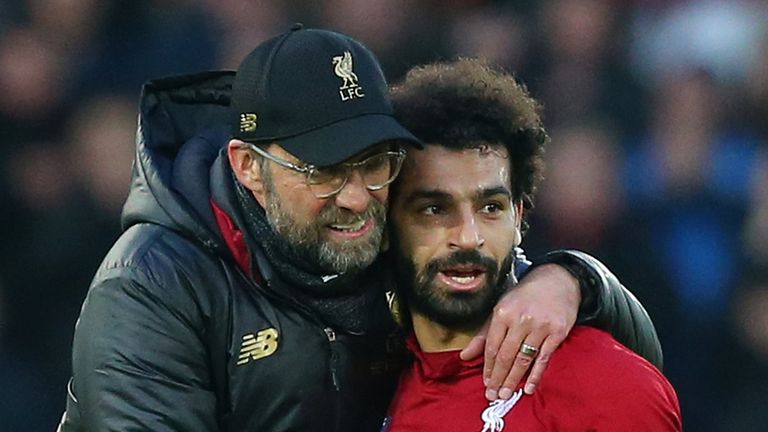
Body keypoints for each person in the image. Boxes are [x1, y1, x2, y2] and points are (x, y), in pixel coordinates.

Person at [58, 27, 661, 431]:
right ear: (249, 167)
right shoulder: (152, 285)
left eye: (374, 165)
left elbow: (635, 362)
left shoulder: (380, 234)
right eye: (323, 171)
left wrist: (573, 281)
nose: (355, 197)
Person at [383, 58, 682, 431]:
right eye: (434, 209)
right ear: (386, 223)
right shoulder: (356, 386)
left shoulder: (604, 386)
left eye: (490, 207)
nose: (468, 236)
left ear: (520, 217)